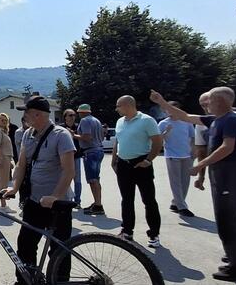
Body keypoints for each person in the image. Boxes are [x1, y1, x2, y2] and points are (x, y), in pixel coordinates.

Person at [151, 88, 236, 278]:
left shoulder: (233, 119)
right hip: (225, 175)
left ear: (219, 101)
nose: (205, 106)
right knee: (230, 219)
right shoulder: (213, 120)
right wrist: (161, 102)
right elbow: (184, 116)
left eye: (207, 102)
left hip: (231, 175)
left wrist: (200, 165)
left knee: (233, 218)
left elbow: (228, 147)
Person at [0, 96, 75, 285]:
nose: (24, 116)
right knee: (25, 244)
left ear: (38, 114)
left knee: (58, 250)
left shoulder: (62, 135)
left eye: (27, 112)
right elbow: (22, 164)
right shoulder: (28, 135)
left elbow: (69, 170)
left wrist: (56, 196)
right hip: (34, 201)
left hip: (57, 204)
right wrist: (13, 187)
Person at [112, 95, 163, 247]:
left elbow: (158, 141)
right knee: (126, 199)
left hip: (141, 164)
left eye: (118, 106)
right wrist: (114, 159)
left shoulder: (146, 120)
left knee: (148, 200)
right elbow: (118, 140)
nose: (116, 109)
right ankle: (127, 231)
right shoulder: (120, 121)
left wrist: (148, 160)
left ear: (128, 105)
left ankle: (154, 234)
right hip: (123, 164)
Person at [158, 103, 196, 217]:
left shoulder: (186, 122)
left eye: (171, 109)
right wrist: (166, 132)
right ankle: (182, 207)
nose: (169, 112)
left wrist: (193, 150)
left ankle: (176, 202)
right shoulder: (163, 123)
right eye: (166, 110)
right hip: (172, 155)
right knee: (176, 182)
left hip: (186, 155)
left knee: (185, 181)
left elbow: (193, 137)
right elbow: (158, 140)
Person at [77, 104, 106, 216]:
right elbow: (102, 136)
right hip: (99, 150)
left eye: (79, 112)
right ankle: (97, 203)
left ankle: (98, 205)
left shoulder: (84, 121)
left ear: (83, 112)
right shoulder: (96, 120)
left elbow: (87, 137)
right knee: (96, 179)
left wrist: (73, 135)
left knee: (92, 180)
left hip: (90, 151)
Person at [0, 113, 15, 208]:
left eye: (6, 120)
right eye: (2, 120)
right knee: (3, 183)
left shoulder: (3, 132)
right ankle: (3, 206)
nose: (4, 122)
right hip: (3, 158)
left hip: (6, 157)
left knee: (1, 182)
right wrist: (0, 159)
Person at [60, 110, 83, 206]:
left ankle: (77, 201)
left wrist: (74, 135)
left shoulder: (78, 127)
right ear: (65, 117)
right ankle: (66, 198)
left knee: (77, 180)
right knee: (64, 178)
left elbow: (83, 138)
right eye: (70, 115)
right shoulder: (61, 128)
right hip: (63, 157)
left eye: (74, 115)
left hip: (76, 156)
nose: (73, 117)